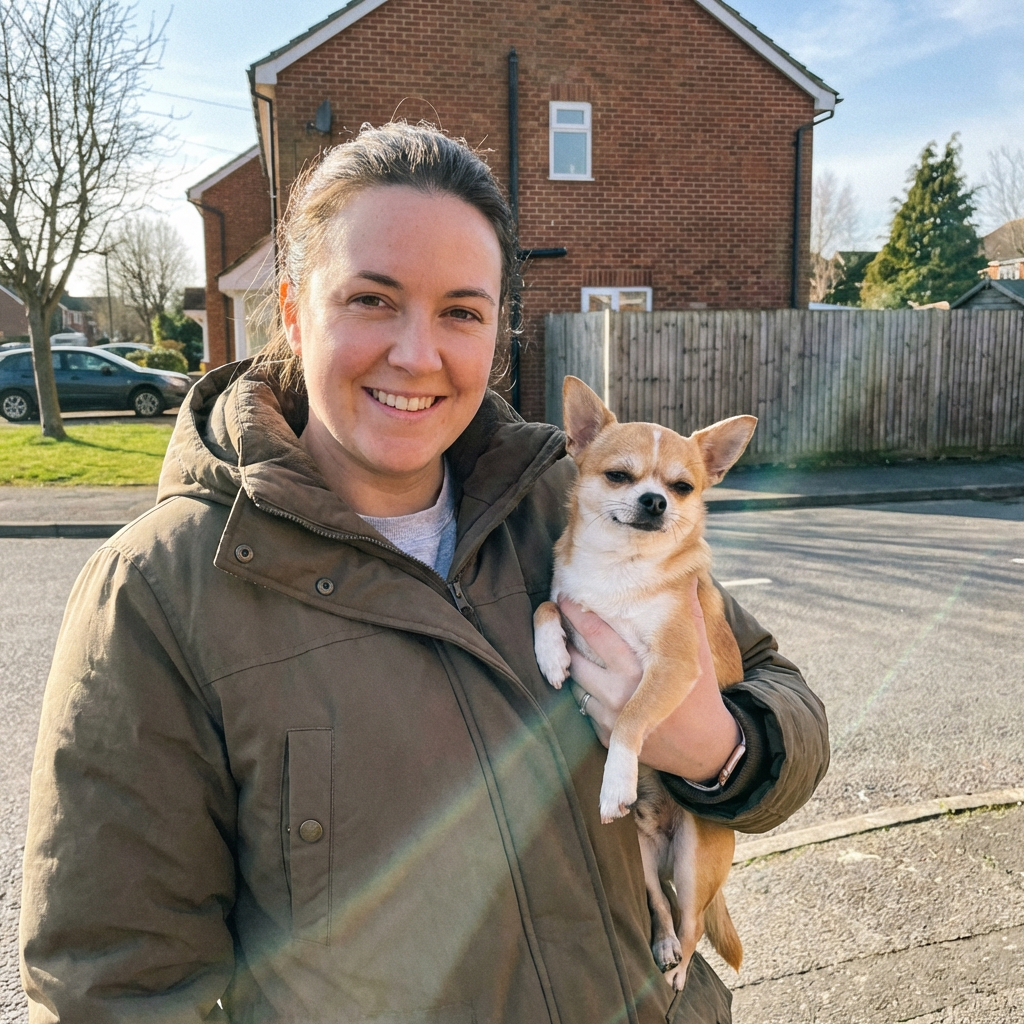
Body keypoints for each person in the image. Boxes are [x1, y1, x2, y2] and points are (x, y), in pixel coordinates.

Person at [20, 123, 828, 1023]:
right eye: (372, 299)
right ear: (293, 310)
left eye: (461, 312)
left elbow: (779, 692)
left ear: (496, 332)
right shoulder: (156, 591)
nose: (417, 354)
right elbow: (113, 985)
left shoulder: (564, 504)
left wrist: (722, 752)